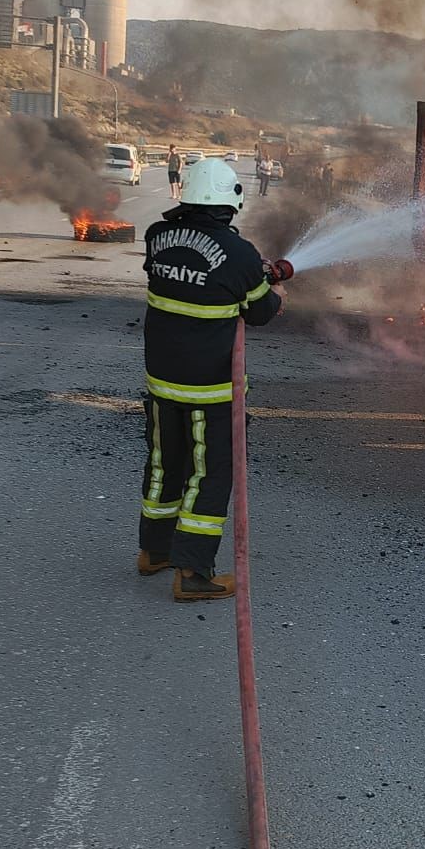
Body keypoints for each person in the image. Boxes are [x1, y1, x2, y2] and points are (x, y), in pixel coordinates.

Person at [137, 158, 282, 601]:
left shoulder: (157, 237)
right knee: (210, 474)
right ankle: (193, 573)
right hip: (210, 390)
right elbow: (261, 311)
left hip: (161, 382)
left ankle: (154, 552)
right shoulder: (239, 254)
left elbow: (195, 279)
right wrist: (269, 281)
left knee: (164, 466)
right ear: (229, 201)